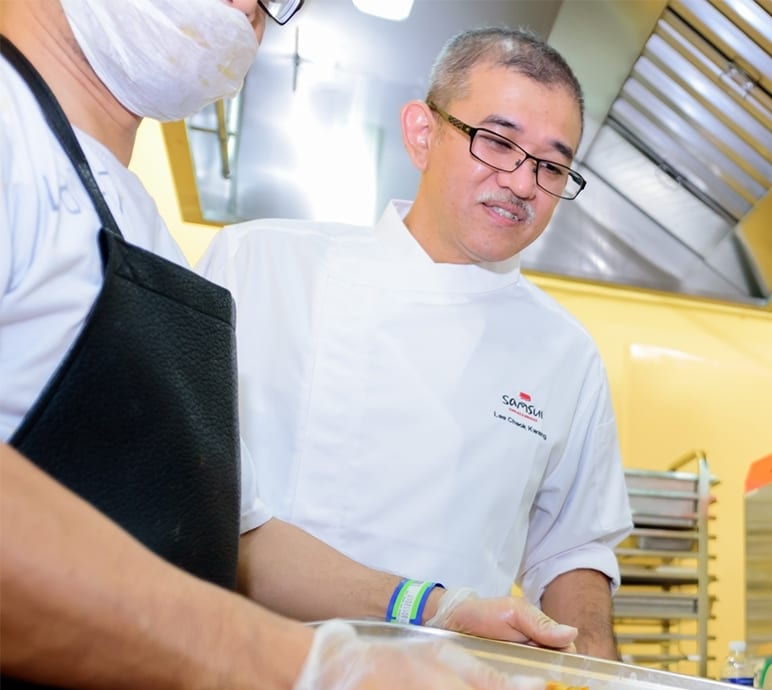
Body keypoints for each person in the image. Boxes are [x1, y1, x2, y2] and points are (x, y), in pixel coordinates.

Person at [0, 2, 575, 690]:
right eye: (499, 142)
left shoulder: (136, 222)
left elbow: (233, 540)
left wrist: (437, 609)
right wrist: (298, 683)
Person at [196, 29, 633, 657]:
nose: (521, 182)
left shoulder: (566, 353)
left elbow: (573, 549)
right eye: (498, 141)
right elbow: (201, 501)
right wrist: (434, 608)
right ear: (422, 133)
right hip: (250, 687)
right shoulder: (260, 264)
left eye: (552, 165)